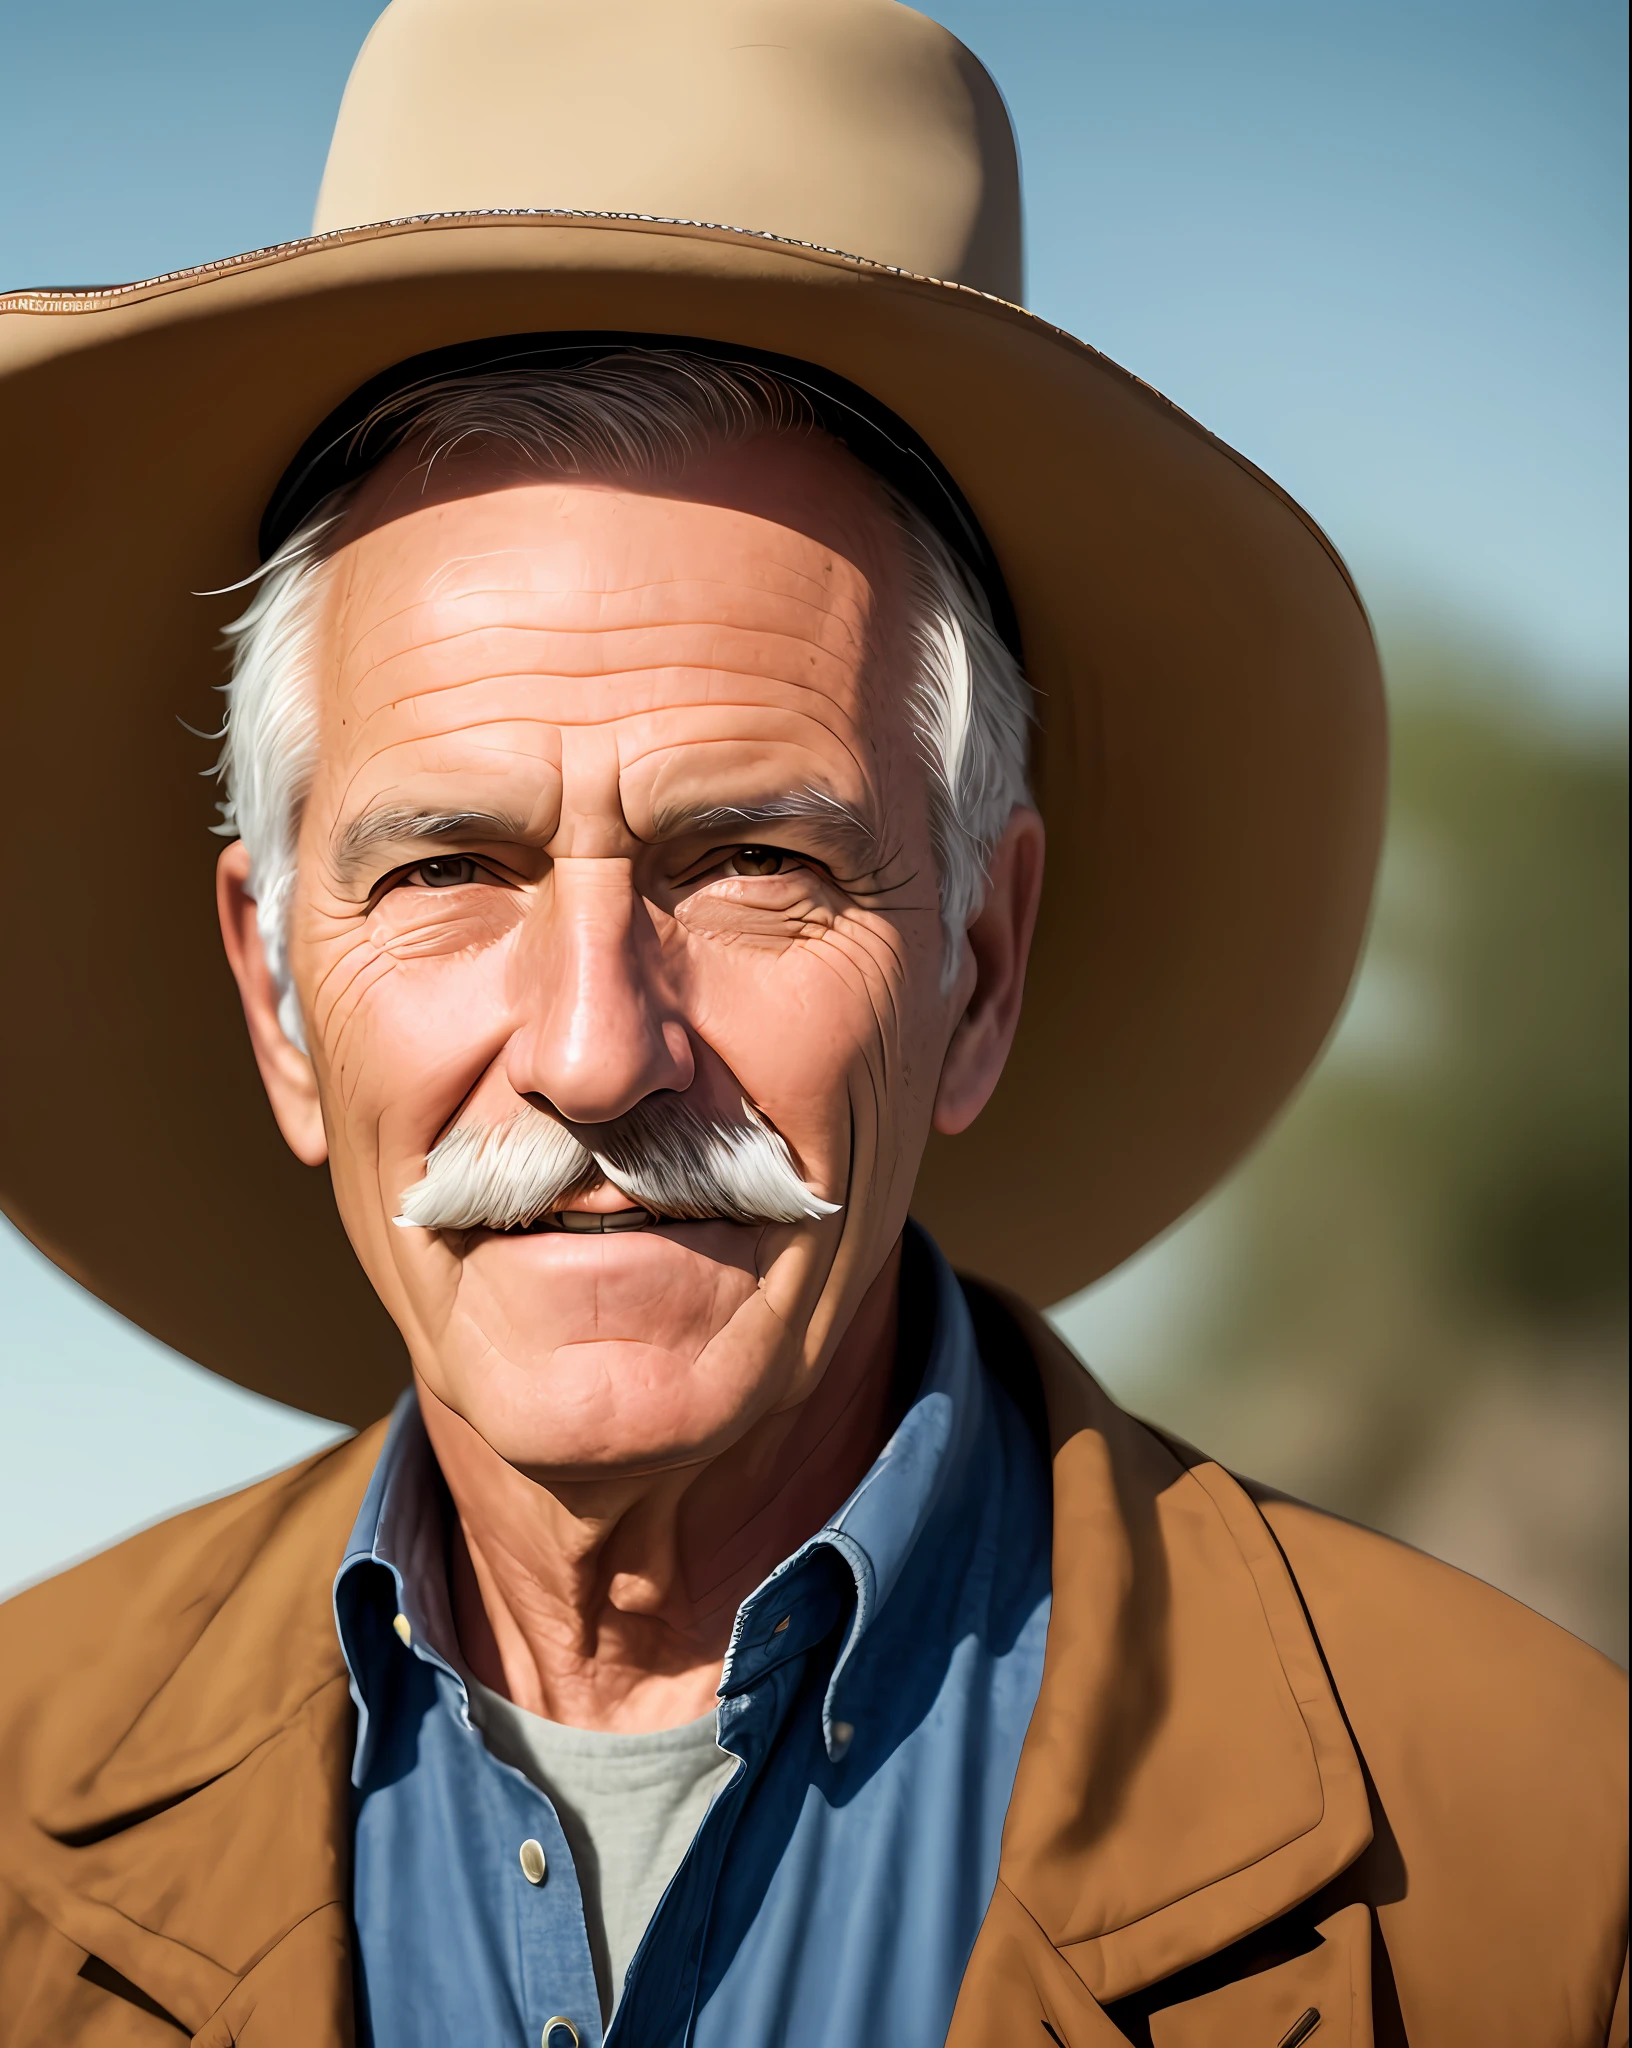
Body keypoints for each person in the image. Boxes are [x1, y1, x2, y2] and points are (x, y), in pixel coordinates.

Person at [0, 3, 1623, 2044]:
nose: (596, 1051)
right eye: (448, 870)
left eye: (753, 860)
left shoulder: (1543, 1863)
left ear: (980, 963)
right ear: (276, 996)